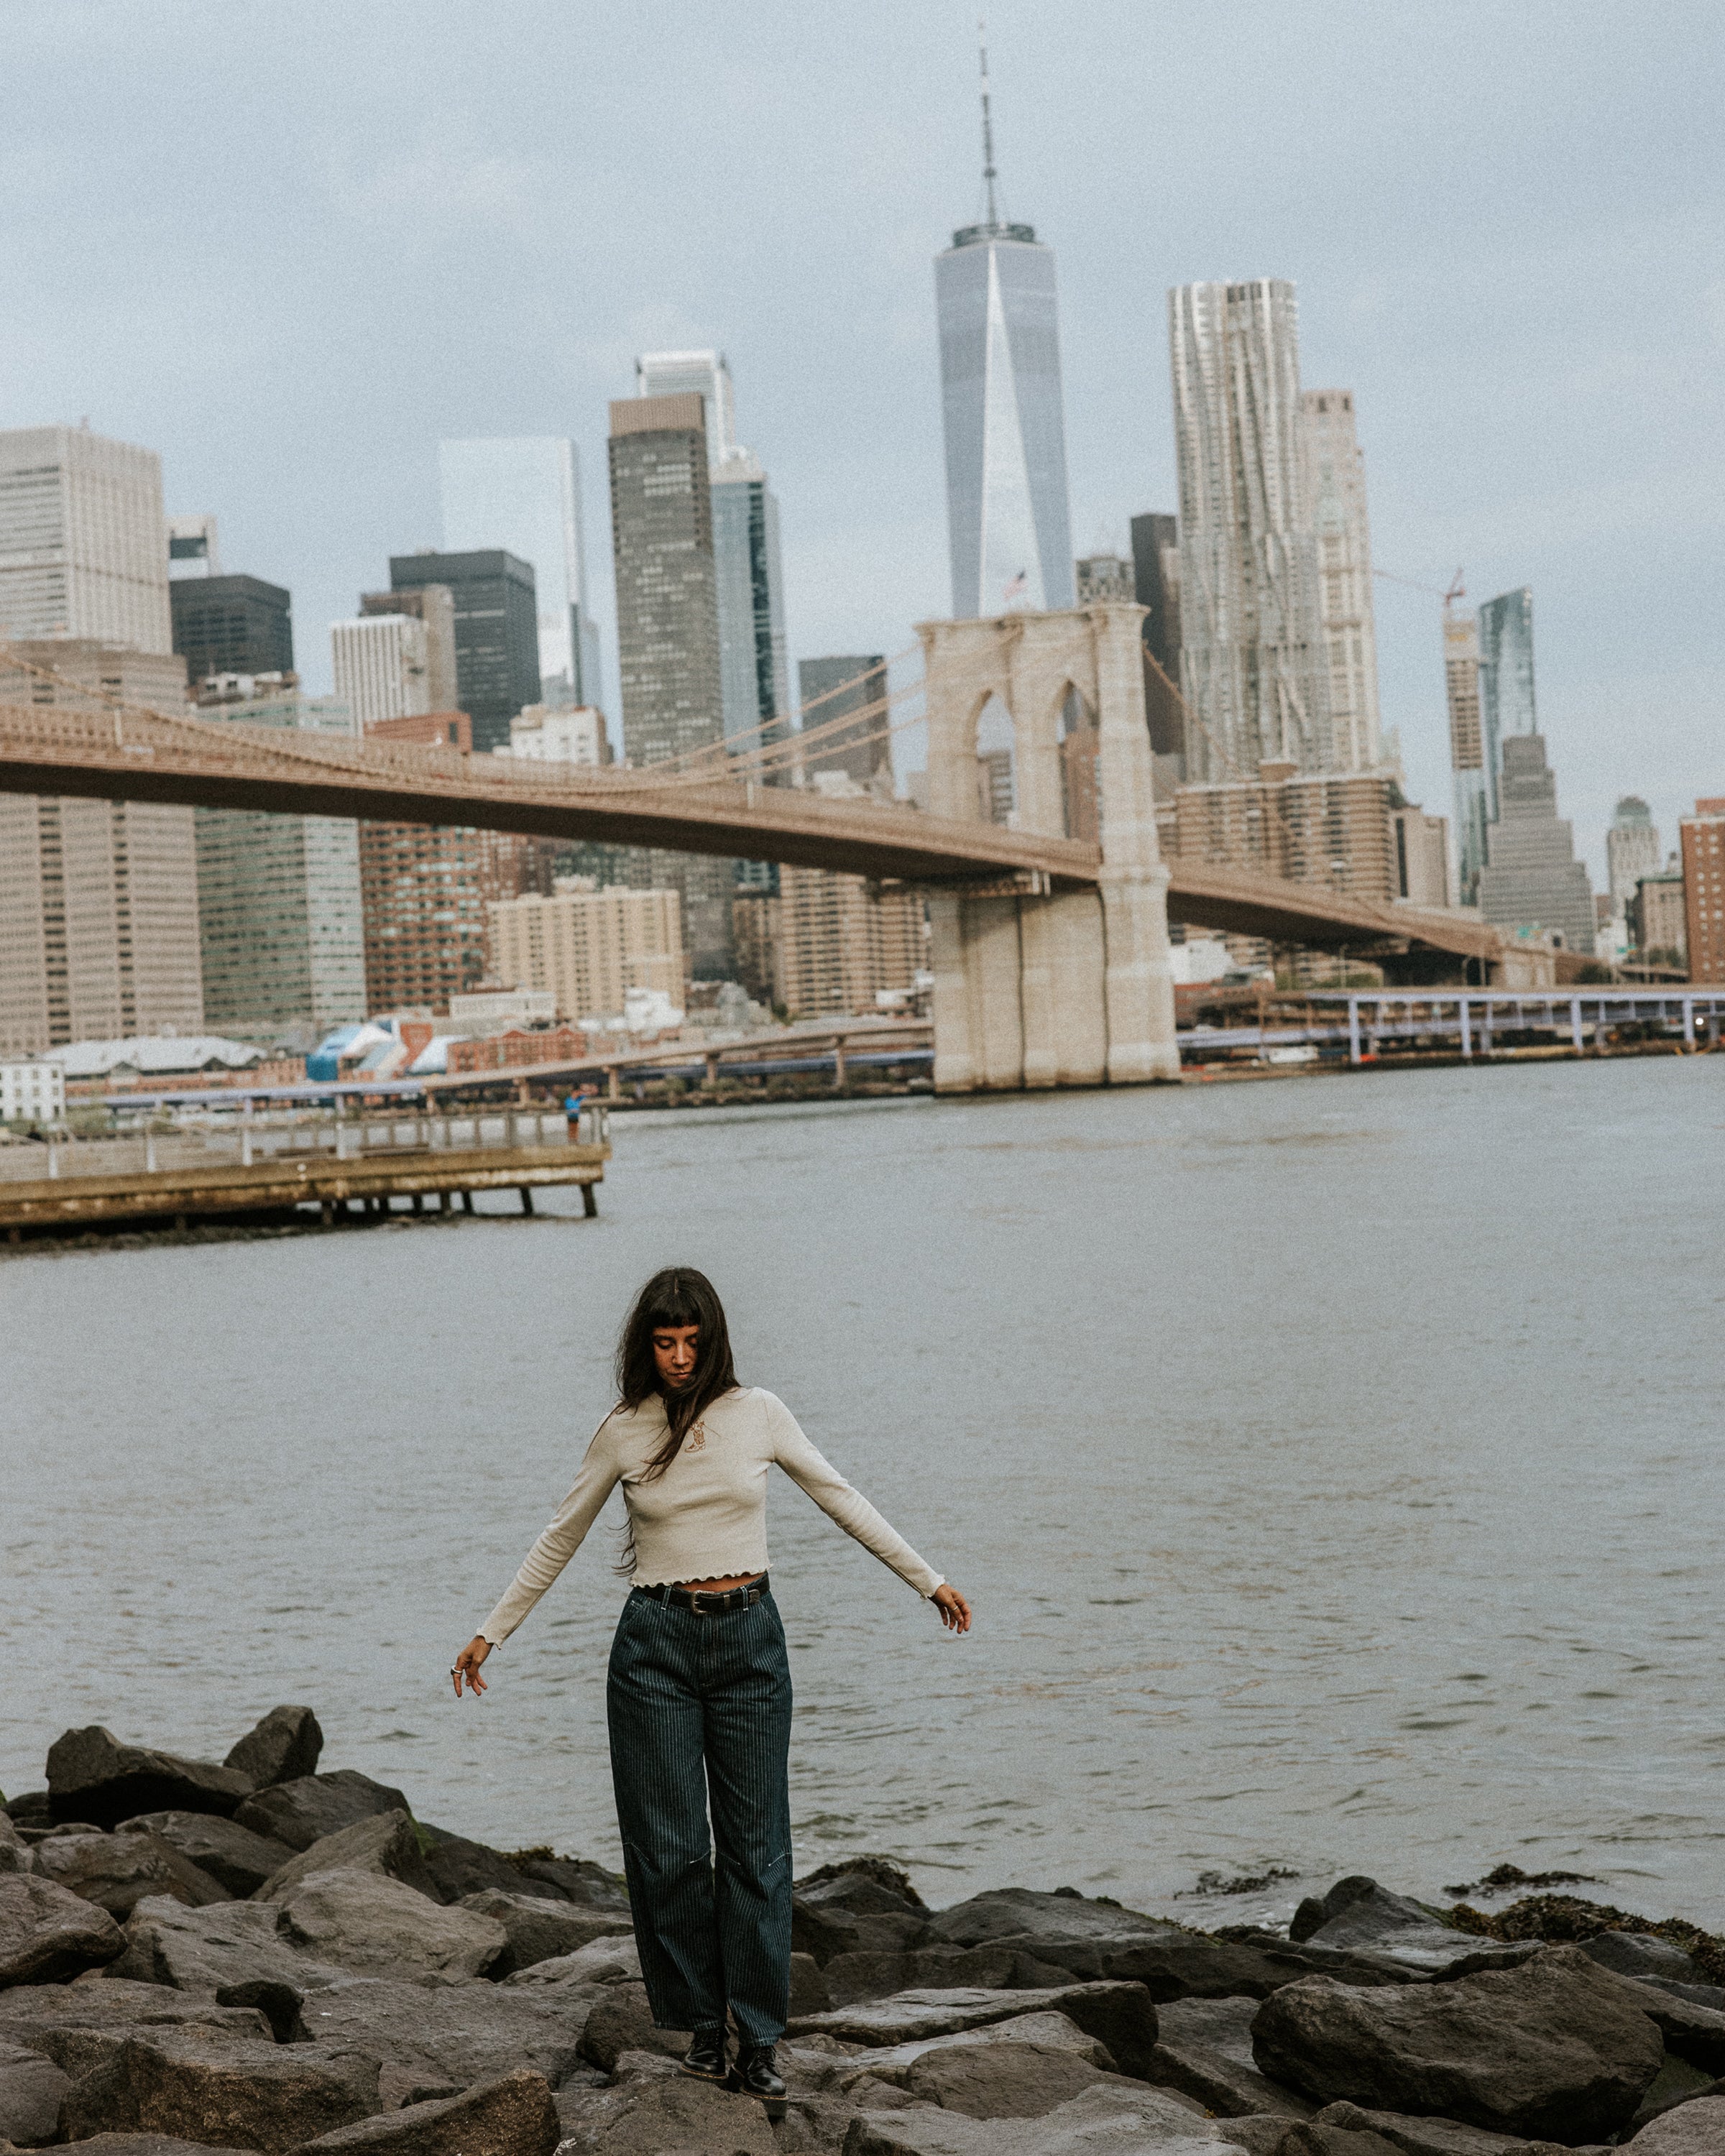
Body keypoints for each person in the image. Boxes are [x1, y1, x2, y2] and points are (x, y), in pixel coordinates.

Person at [452, 1266, 970, 2118]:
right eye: (665, 1343)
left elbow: (839, 1496)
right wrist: (491, 1632)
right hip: (653, 1648)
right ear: (645, 1346)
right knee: (669, 1852)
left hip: (749, 1644)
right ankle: (701, 2025)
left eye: (692, 1342)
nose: (680, 1358)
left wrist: (928, 1580)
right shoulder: (623, 1430)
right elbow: (560, 1535)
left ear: (714, 1340)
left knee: (756, 1851)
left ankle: (759, 2041)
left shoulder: (758, 1413)